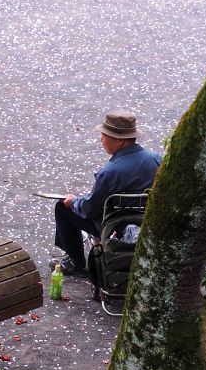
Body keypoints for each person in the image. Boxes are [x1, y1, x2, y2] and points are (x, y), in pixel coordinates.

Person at [54, 111, 162, 276]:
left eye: (104, 135)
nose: (101, 139)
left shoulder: (110, 172)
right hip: (146, 220)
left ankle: (77, 262)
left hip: (112, 226)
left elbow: (90, 209)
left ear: (119, 140)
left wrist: (74, 202)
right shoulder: (156, 159)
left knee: (62, 208)